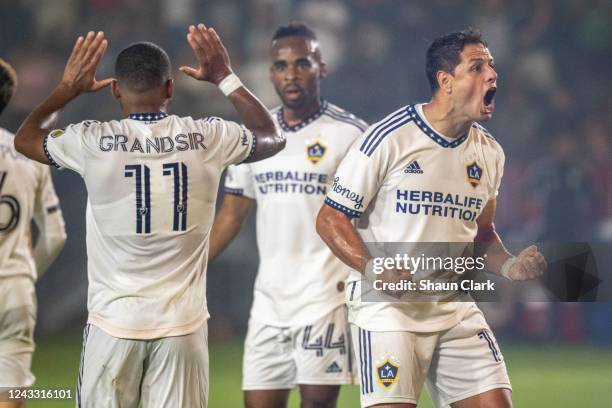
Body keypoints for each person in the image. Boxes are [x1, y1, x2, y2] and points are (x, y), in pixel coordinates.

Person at [14, 25, 284, 407]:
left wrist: (67, 89)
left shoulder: (92, 140)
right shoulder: (207, 136)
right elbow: (271, 134)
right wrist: (224, 76)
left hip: (112, 325)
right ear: (170, 88)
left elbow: (25, 139)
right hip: (183, 328)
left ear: (115, 89)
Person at [316, 29, 547, 408]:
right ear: (446, 81)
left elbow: (482, 235)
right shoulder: (389, 138)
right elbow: (330, 219)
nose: (492, 75)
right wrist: (374, 269)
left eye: (491, 66)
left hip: (454, 307)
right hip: (390, 310)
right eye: (477, 67)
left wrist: (511, 266)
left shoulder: (490, 153)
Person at [209, 22, 367, 408]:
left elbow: (371, 217)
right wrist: (188, 265)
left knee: (317, 405)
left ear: (321, 67)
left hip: (325, 299)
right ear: (270, 73)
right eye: (281, 66)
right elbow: (231, 214)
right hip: (268, 302)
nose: (291, 74)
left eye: (302, 64)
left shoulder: (353, 135)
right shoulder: (254, 137)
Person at [0, 58, 66, 408]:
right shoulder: (26, 154)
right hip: (15, 289)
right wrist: (26, 274)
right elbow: (55, 235)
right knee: (11, 396)